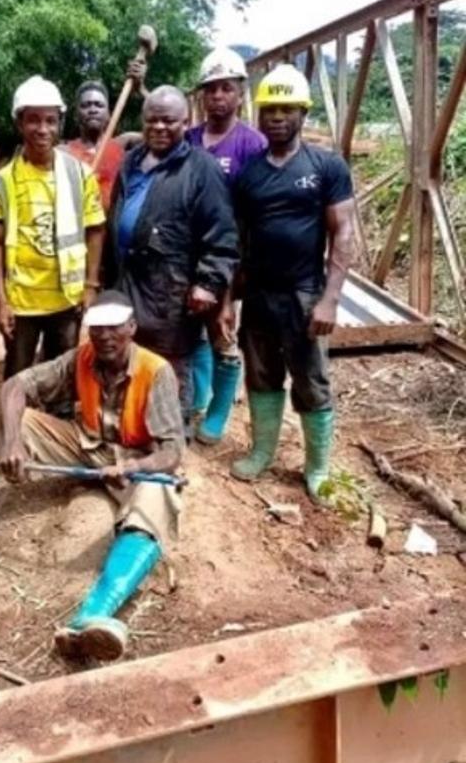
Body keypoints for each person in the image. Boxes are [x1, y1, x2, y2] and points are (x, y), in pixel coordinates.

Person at [0, 290, 184, 663]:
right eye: (97, 328)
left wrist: (132, 468)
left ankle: (93, 615)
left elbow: (172, 452)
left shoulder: (156, 372)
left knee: (155, 498)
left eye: (115, 327)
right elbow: (15, 386)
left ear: (132, 328)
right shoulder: (81, 358)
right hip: (85, 445)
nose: (105, 336)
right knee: (10, 426)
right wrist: (13, 441)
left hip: (135, 462)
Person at [231, 64, 355, 503]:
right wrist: (230, 298)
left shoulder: (326, 166)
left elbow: (343, 232)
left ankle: (317, 468)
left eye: (287, 109)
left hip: (304, 294)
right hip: (259, 295)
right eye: (270, 109)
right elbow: (238, 239)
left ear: (303, 113)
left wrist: (330, 300)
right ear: (260, 114)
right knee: (261, 375)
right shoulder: (248, 174)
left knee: (311, 381)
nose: (277, 117)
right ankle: (262, 451)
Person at [104, 85, 240, 425]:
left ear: (186, 122)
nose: (159, 127)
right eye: (152, 120)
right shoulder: (131, 161)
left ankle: (172, 434)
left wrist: (208, 283)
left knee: (170, 367)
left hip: (170, 291)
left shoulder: (201, 168)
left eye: (168, 121)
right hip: (127, 281)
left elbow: (222, 233)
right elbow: (114, 216)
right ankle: (135, 428)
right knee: (130, 360)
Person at [0, 76, 105, 379]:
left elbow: (95, 230)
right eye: (33, 120)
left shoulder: (80, 175)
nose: (43, 129)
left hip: (67, 300)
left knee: (62, 376)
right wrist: (0, 303)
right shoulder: (2, 182)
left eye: (50, 120)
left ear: (60, 123)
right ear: (19, 123)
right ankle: (17, 413)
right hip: (22, 303)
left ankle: (56, 413)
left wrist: (90, 286)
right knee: (18, 377)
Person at [186, 48, 268, 446]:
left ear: (240, 93)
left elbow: (255, 215)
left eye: (226, 88)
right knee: (192, 327)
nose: (218, 96)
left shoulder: (252, 145)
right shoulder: (189, 140)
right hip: (189, 254)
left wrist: (237, 277)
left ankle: (219, 410)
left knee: (221, 328)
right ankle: (198, 396)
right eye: (211, 89)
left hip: (228, 257)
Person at [65, 64, 146, 209]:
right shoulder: (64, 152)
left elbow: (166, 129)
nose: (93, 110)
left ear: (109, 114)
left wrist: (141, 89)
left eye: (99, 105)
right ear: (76, 114)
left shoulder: (123, 143)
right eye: (86, 105)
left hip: (115, 222)